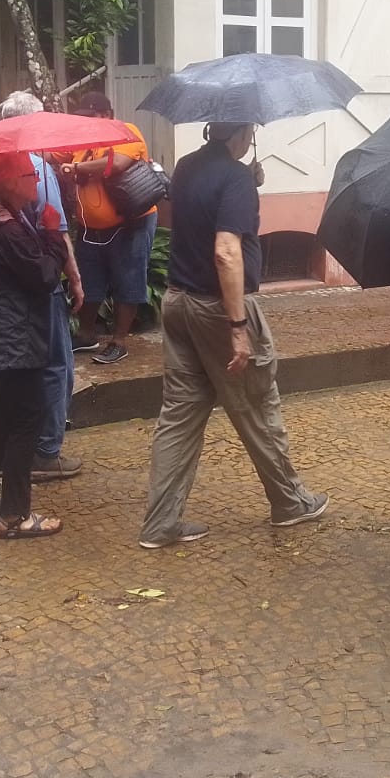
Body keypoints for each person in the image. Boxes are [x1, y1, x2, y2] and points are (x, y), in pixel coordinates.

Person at [139, 121, 328, 548]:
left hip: (178, 301)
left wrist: (248, 185)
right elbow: (226, 250)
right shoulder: (235, 178)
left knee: (179, 417)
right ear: (240, 133)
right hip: (217, 309)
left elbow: (190, 213)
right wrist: (239, 327)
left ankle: (160, 523)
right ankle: (290, 502)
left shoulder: (187, 166)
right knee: (257, 406)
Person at [0, 91, 84, 482]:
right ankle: (44, 455)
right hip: (23, 304)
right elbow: (53, 243)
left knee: (2, 406)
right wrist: (71, 275)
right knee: (54, 369)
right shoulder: (33, 171)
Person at [0, 151, 72, 538]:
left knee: (2, 414)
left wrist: (40, 235)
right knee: (26, 419)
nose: (36, 180)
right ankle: (16, 516)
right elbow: (42, 277)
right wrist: (53, 238)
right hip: (14, 338)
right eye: (28, 174)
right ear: (9, 182)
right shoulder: (7, 229)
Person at [55, 91, 159, 366]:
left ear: (107, 115)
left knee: (128, 280)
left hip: (130, 223)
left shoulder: (126, 131)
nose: (88, 123)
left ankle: (119, 341)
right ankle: (87, 334)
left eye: (92, 117)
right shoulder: (81, 140)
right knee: (89, 280)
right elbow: (55, 153)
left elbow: (117, 164)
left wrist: (75, 168)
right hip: (92, 227)